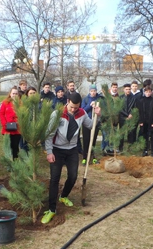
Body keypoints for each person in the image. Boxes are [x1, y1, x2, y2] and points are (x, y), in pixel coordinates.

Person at [42, 92, 101, 224]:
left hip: (72, 150)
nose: (73, 110)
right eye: (71, 107)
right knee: (55, 179)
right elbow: (49, 134)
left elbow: (91, 125)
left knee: (73, 176)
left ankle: (63, 196)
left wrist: (97, 115)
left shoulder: (82, 114)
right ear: (67, 101)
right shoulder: (57, 114)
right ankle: (51, 209)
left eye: (76, 107)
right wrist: (49, 152)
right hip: (57, 149)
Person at [81, 84, 102, 165]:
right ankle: (85, 158)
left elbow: (102, 110)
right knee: (86, 140)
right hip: (86, 122)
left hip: (95, 122)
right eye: (91, 91)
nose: (93, 92)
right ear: (89, 91)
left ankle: (93, 157)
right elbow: (83, 110)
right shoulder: (86, 99)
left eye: (94, 91)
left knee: (93, 140)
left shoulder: (99, 99)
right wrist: (90, 105)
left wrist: (97, 107)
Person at [137, 86, 153, 157]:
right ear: (144, 92)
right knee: (144, 136)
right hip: (144, 121)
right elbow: (139, 112)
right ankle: (145, 150)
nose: (148, 93)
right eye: (146, 92)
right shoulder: (141, 101)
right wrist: (140, 121)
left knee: (152, 136)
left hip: (151, 121)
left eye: (149, 92)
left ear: (151, 92)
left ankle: (152, 151)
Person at [0, 87, 21, 160]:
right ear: (10, 94)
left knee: (15, 146)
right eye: (13, 93)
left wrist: (19, 122)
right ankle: (9, 162)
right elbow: (1, 114)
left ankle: (15, 161)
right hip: (7, 128)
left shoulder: (21, 103)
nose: (14, 95)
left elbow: (23, 114)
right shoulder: (5, 103)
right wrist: (4, 124)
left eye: (16, 93)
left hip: (17, 129)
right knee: (8, 146)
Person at [102, 82, 119, 153]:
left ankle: (112, 148)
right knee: (106, 135)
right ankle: (104, 148)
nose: (115, 89)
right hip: (107, 119)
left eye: (116, 87)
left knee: (113, 134)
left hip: (115, 119)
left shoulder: (118, 97)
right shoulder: (107, 97)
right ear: (111, 88)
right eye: (113, 87)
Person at [119, 83, 136, 151]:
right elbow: (119, 108)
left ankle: (130, 148)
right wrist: (126, 115)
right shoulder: (121, 97)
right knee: (121, 133)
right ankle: (120, 148)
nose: (128, 90)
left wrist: (131, 114)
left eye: (129, 89)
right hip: (122, 117)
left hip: (130, 117)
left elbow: (135, 107)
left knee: (130, 133)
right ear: (124, 90)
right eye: (126, 89)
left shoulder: (133, 98)